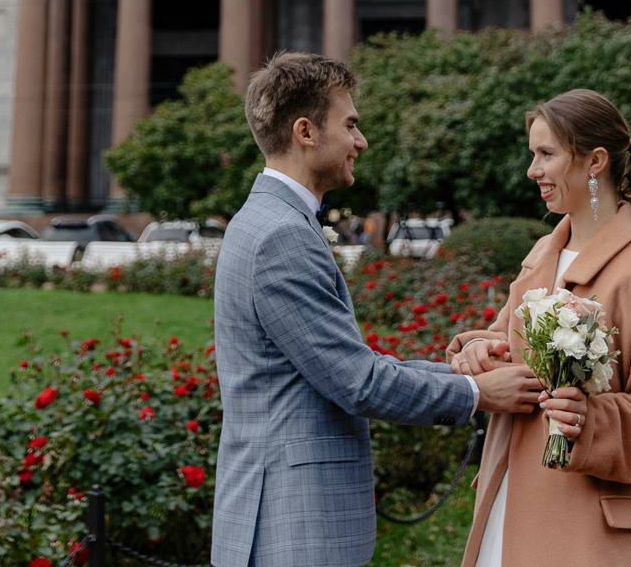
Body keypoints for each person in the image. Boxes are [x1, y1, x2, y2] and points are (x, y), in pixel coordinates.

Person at [211, 53, 541, 567]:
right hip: (292, 526)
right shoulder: (281, 235)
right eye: (350, 125)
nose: (360, 142)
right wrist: (476, 391)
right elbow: (357, 382)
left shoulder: (266, 221)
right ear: (305, 131)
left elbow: (337, 366)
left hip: (281, 519)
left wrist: (458, 368)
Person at [448, 89, 631, 567]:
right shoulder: (543, 253)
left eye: (547, 154)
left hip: (587, 527)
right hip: (508, 502)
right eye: (533, 155)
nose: (533, 170)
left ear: (595, 161)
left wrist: (588, 418)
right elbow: (505, 338)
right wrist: (480, 353)